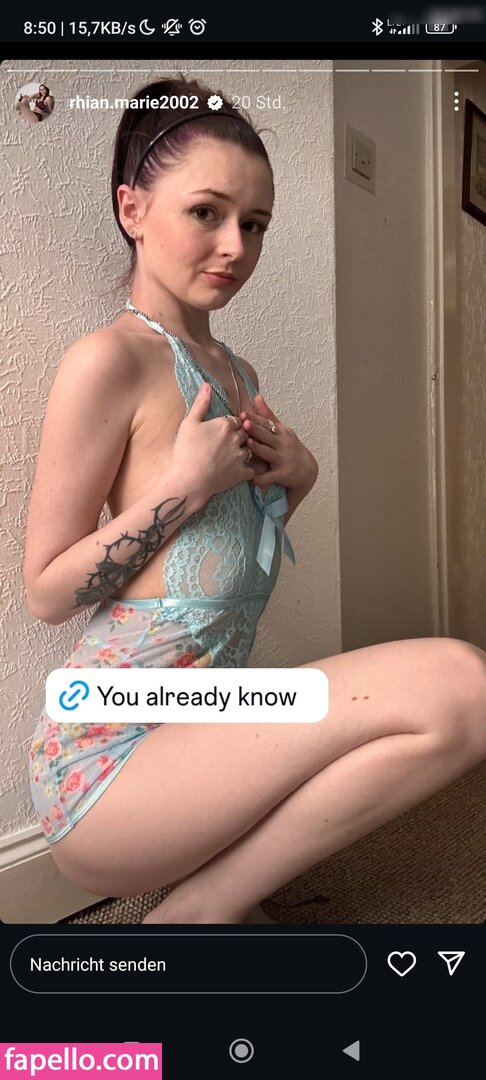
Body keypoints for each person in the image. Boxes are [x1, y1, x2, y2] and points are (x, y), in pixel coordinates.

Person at [24, 77, 486, 925]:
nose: (235, 245)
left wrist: (294, 487)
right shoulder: (107, 361)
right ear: (132, 208)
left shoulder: (238, 374)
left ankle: (209, 903)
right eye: (207, 212)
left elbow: (212, 572)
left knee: (460, 701)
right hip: (105, 755)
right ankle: (198, 919)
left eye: (256, 224)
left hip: (204, 721)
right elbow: (47, 592)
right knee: (464, 685)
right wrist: (181, 489)